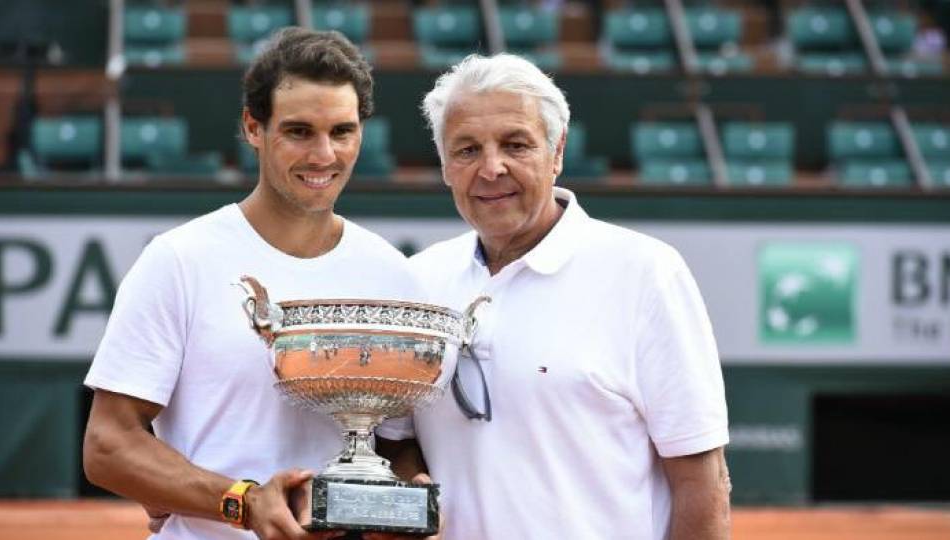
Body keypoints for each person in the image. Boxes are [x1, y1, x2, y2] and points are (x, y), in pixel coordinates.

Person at [83, 28, 427, 540]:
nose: (323, 155)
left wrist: (409, 497)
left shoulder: (391, 272)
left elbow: (396, 444)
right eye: (299, 131)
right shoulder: (180, 259)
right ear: (253, 128)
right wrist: (241, 502)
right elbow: (108, 443)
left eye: (341, 131)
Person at [379, 54, 732, 539]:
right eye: (466, 150)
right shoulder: (417, 282)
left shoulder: (647, 273)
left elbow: (701, 481)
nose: (491, 168)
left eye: (516, 144)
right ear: (444, 164)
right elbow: (395, 443)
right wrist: (407, 484)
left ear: (557, 151)